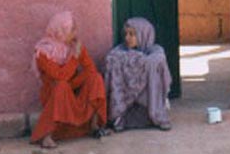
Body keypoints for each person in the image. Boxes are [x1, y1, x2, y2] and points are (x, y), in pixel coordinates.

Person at [31, 11, 109, 148]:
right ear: (61, 31)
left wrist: (77, 80)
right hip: (54, 92)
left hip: (72, 88)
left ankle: (94, 125)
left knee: (95, 78)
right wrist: (74, 57)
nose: (75, 33)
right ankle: (47, 135)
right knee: (62, 86)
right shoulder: (43, 52)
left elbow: (90, 69)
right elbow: (60, 76)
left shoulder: (74, 47)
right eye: (71, 30)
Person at [104, 17, 172, 132]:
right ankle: (121, 115)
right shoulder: (120, 50)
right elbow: (112, 57)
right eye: (126, 34)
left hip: (145, 100)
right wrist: (135, 61)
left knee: (154, 68)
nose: (127, 38)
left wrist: (136, 62)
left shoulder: (155, 50)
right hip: (127, 102)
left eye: (132, 34)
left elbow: (157, 59)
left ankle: (154, 113)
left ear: (143, 35)